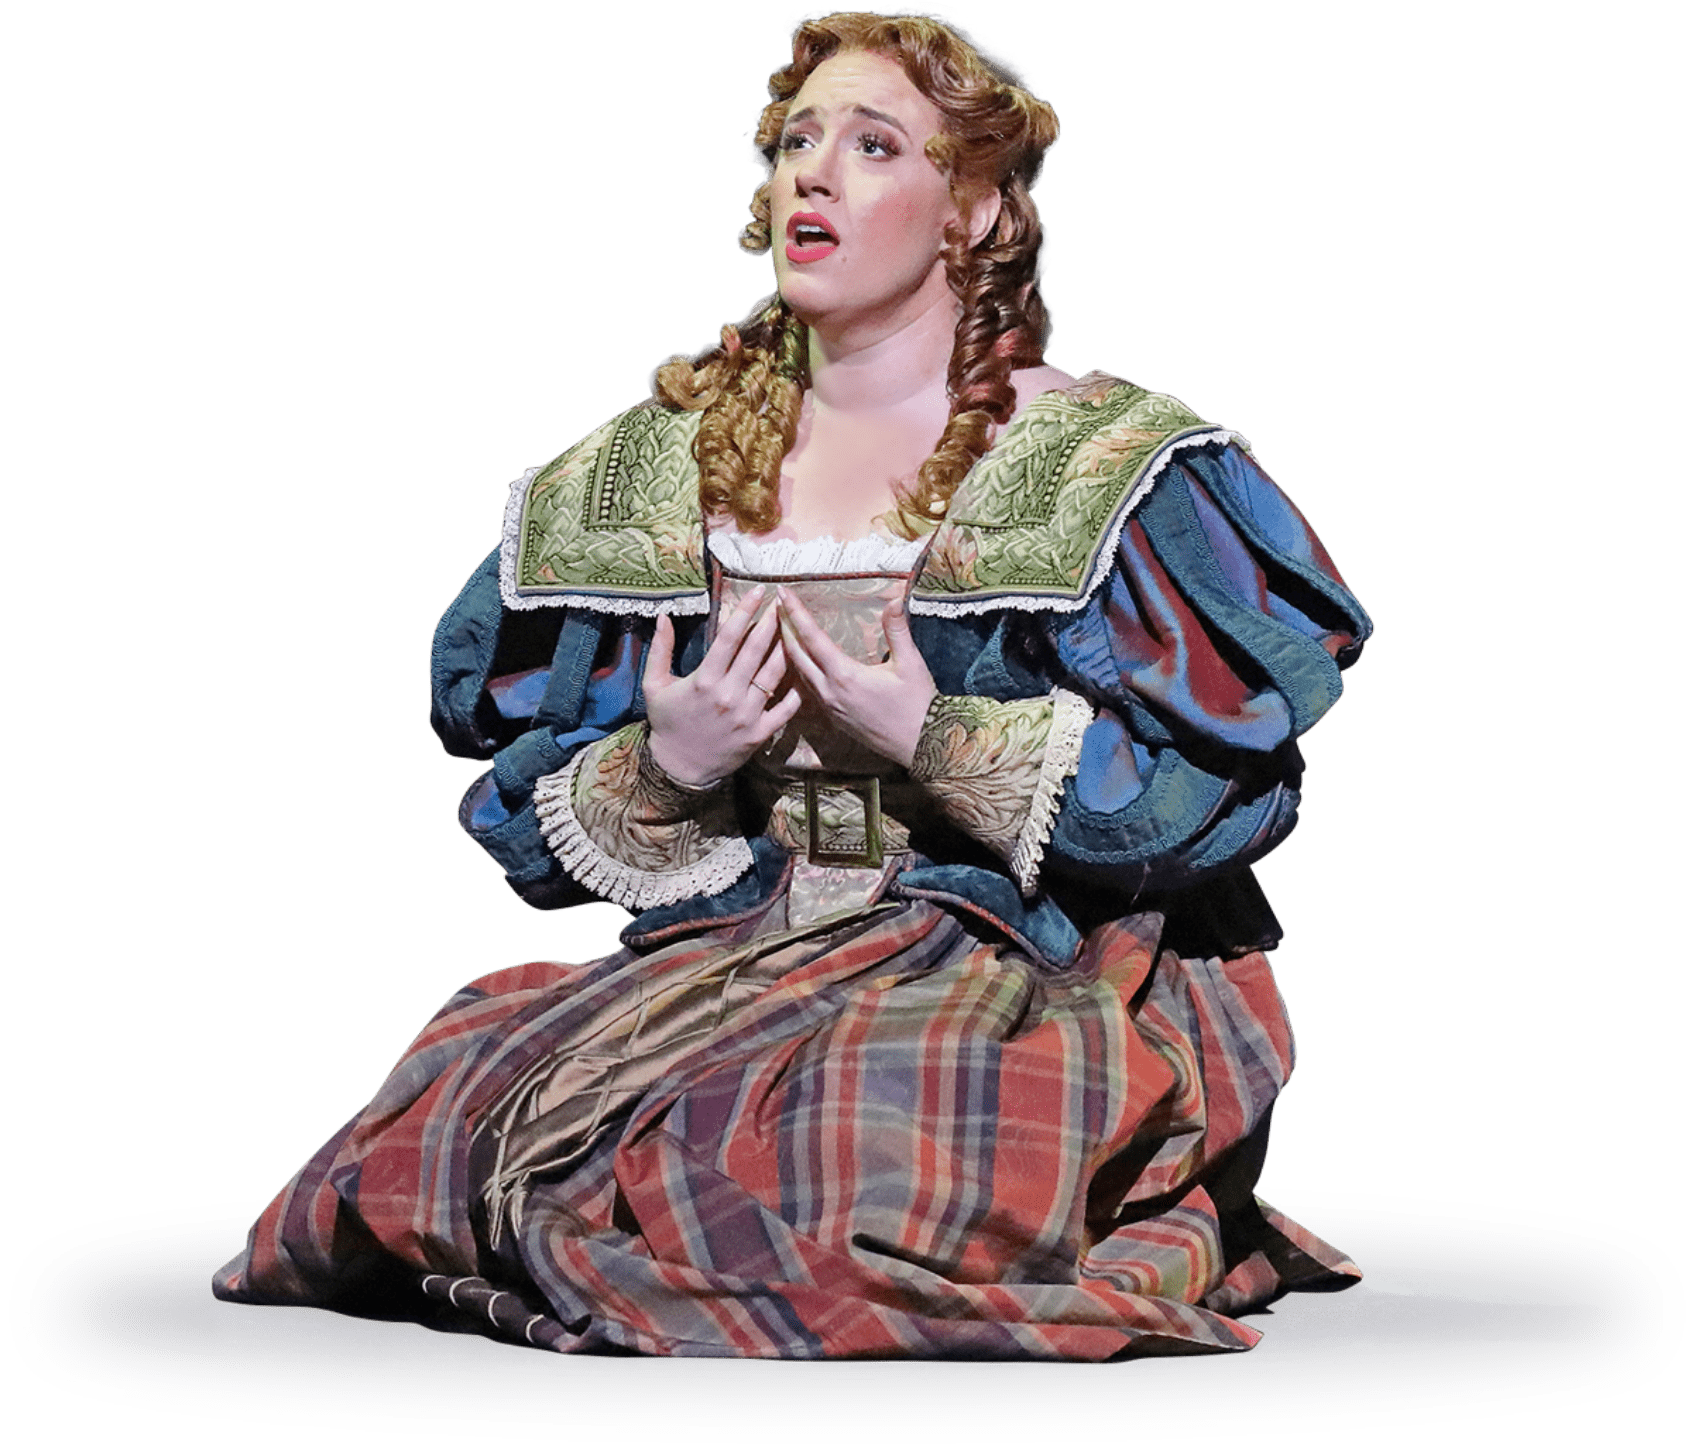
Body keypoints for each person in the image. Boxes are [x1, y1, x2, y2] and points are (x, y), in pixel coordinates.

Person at [214, 10, 1372, 1360]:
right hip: (749, 935)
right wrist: (674, 761)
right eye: (796, 141)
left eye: (873, 145)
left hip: (1022, 954)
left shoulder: (1094, 465)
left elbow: (1214, 789)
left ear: (973, 210)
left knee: (853, 1150)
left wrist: (932, 733)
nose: (811, 172)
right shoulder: (656, 471)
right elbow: (525, 798)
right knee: (467, 1113)